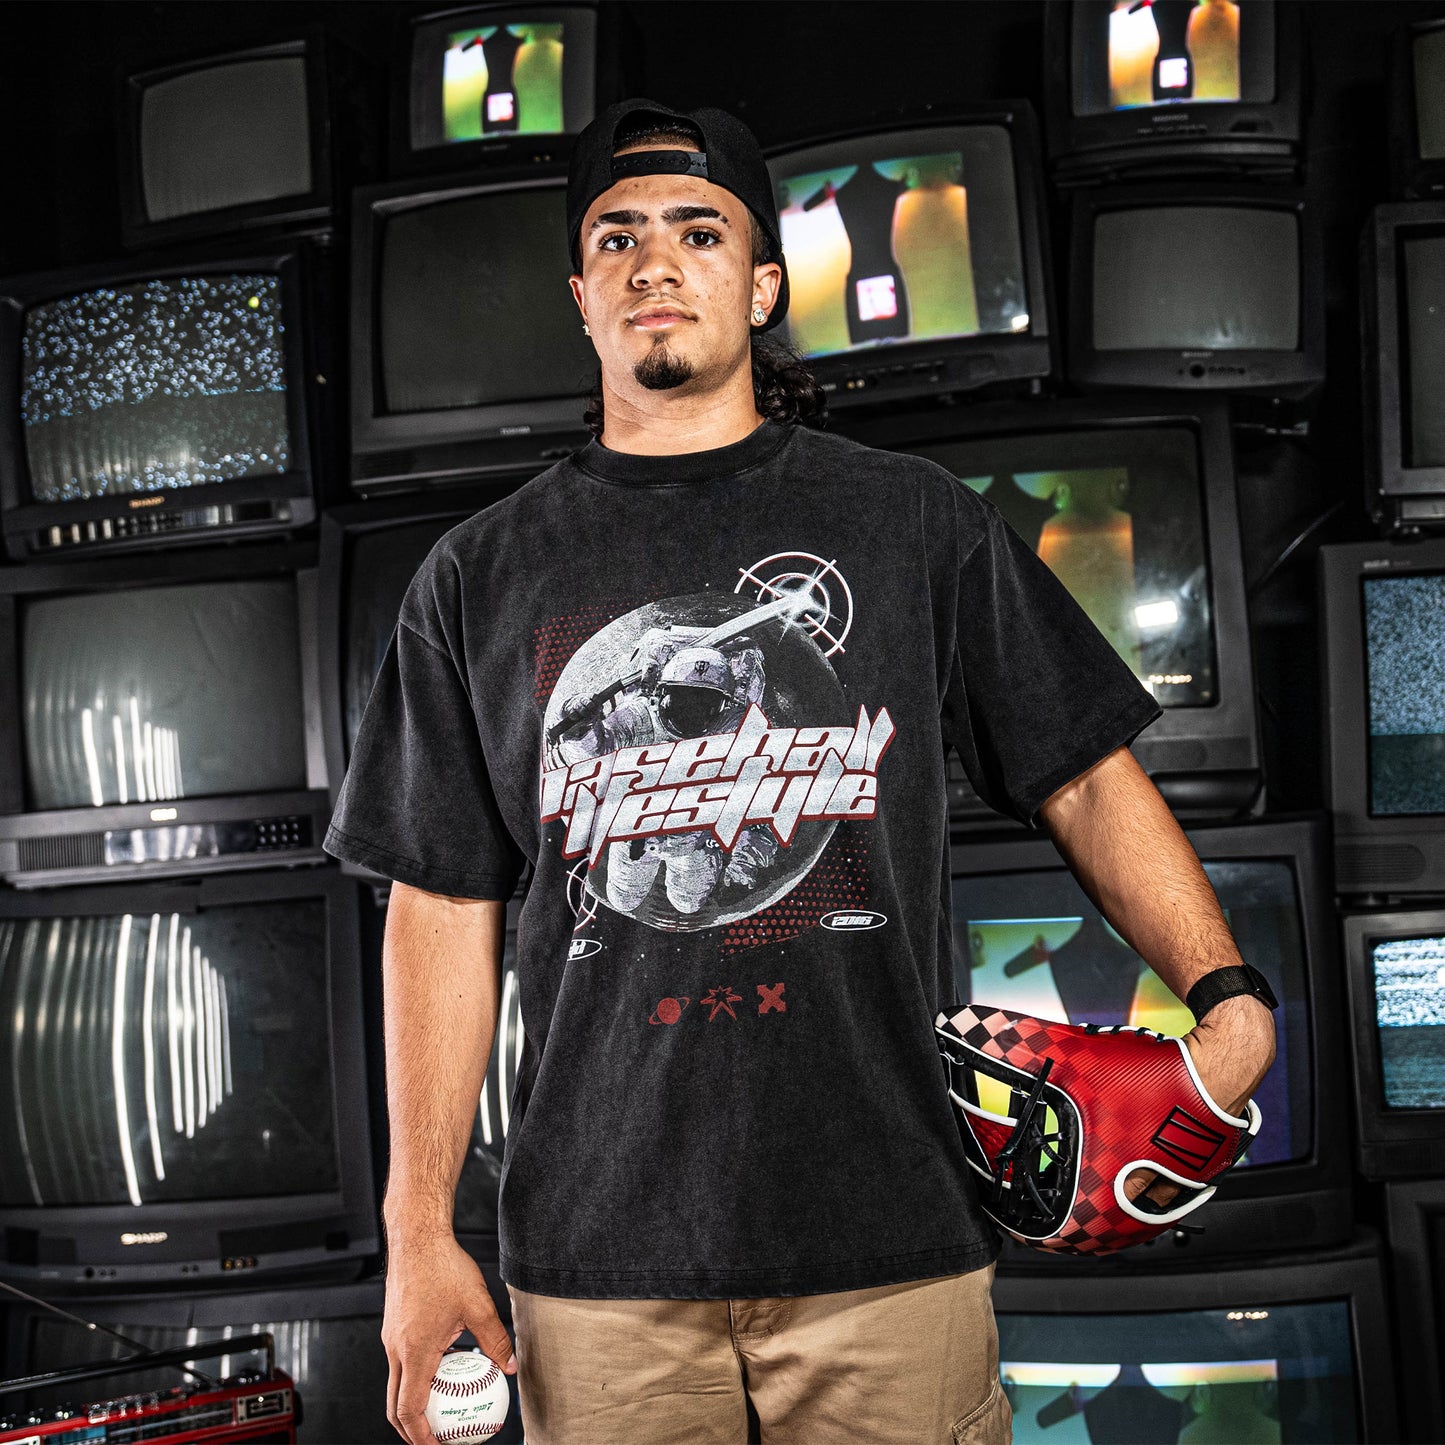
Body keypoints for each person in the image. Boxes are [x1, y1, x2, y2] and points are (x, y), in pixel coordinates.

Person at [323, 97, 1276, 1445]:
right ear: (581, 296)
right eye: (617, 238)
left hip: (889, 1236)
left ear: (762, 282)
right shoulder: (477, 578)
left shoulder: (910, 523)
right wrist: (417, 1230)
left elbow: (1082, 771)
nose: (655, 263)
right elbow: (439, 904)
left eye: (697, 231)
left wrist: (1226, 998)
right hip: (597, 1268)